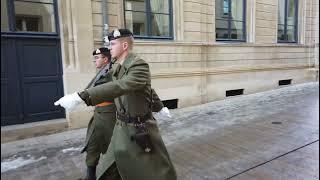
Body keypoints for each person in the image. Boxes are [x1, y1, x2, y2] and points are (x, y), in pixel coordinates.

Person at [54, 29, 177, 180]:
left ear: (125, 45)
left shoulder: (139, 65)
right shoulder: (117, 67)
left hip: (139, 129)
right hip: (120, 128)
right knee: (106, 170)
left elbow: (123, 85)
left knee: (155, 172)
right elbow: (146, 90)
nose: (110, 47)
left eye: (113, 44)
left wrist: (82, 97)